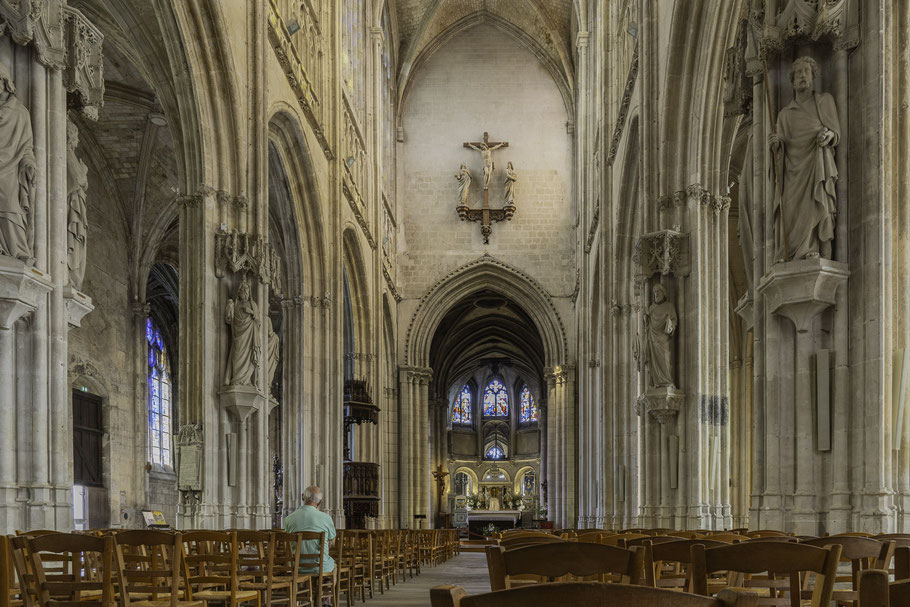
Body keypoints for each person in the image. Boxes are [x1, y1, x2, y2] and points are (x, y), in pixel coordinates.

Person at [768, 56, 839, 261]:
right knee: (789, 210)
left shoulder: (824, 101)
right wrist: (776, 144)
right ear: (791, 79)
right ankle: (788, 251)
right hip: (792, 171)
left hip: (815, 164)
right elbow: (779, 147)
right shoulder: (784, 115)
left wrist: (828, 136)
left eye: (806, 71)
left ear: (813, 76)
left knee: (814, 204)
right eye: (798, 73)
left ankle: (811, 249)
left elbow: (835, 131)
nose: (802, 76)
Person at [0, 62, 36, 262]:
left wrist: (29, 164)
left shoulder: (20, 112)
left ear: (5, 82)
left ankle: (17, 250)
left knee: (10, 205)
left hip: (10, 169)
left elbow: (27, 146)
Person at [285, 485, 337, 576]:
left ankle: (298, 588)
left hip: (296, 566)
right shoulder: (326, 518)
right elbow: (332, 542)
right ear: (320, 502)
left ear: (303, 497)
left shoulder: (289, 519)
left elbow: (288, 543)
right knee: (334, 566)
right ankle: (327, 588)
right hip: (320, 566)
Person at [224, 279, 261, 386]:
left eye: (246, 291)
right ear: (238, 292)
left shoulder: (253, 304)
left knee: (249, 358)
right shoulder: (235, 304)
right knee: (237, 355)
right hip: (238, 336)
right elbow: (229, 320)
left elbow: (258, 322)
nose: (244, 292)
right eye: (242, 290)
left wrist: (252, 312)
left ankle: (246, 380)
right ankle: (236, 379)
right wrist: (229, 308)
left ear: (249, 293)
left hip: (250, 337)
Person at [643, 283, 677, 389]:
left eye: (658, 291)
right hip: (652, 337)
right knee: (654, 361)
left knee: (665, 360)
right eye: (655, 292)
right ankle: (655, 382)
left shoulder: (669, 306)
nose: (656, 294)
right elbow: (647, 325)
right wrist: (645, 318)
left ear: (663, 293)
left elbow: (674, 320)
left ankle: (667, 381)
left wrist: (671, 325)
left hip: (663, 338)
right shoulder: (651, 308)